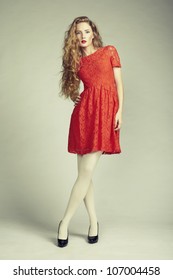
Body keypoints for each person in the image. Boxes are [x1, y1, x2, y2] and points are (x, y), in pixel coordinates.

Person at [58, 16, 124, 247]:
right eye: (78, 33)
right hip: (84, 117)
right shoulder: (76, 62)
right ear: (74, 37)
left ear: (93, 33)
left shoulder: (109, 51)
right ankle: (94, 222)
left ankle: (64, 222)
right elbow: (72, 88)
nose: (83, 36)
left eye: (86, 31)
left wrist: (119, 112)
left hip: (105, 114)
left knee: (85, 173)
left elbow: (118, 84)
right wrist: (73, 95)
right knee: (85, 175)